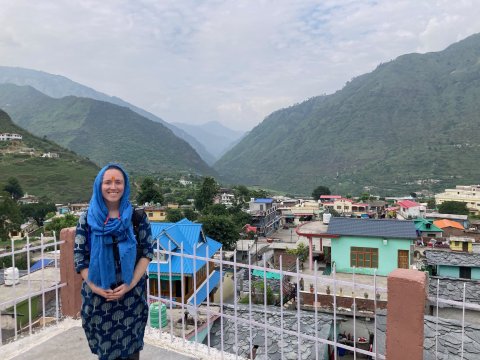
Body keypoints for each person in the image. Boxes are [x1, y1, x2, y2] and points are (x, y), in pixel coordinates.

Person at [74, 163, 154, 360]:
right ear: (99, 185)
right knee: (106, 353)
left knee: (132, 351)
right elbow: (79, 258)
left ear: (125, 186)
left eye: (118, 182)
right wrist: (95, 287)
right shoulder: (87, 219)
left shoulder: (137, 217)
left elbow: (146, 253)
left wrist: (129, 285)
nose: (113, 186)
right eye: (107, 182)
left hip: (131, 298)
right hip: (99, 299)